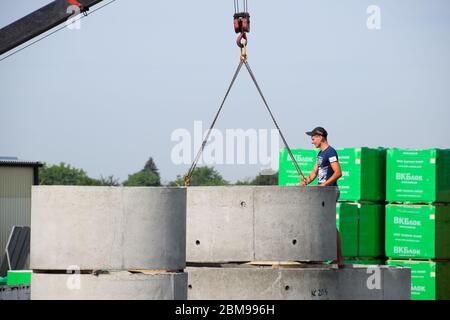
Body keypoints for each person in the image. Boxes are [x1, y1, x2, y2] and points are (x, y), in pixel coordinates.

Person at [300, 126, 344, 266]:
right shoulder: (320, 155)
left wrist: (324, 184)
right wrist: (305, 180)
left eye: (313, 138)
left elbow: (338, 172)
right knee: (321, 223)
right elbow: (314, 173)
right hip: (322, 193)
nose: (312, 141)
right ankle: (318, 257)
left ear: (321, 136)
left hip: (330, 191)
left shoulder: (330, 152)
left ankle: (339, 258)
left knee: (330, 225)